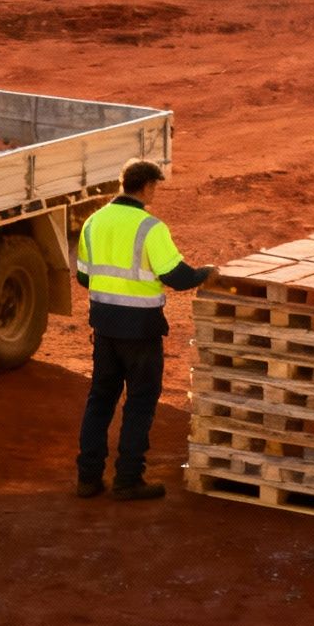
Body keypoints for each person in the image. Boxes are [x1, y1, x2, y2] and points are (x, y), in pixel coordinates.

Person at [72, 159, 216, 501]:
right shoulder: (150, 227)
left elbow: (82, 277)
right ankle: (128, 479)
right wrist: (204, 273)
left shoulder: (93, 222)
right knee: (139, 402)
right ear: (148, 186)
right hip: (140, 331)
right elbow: (176, 276)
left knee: (100, 400)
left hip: (104, 328)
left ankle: (88, 478)